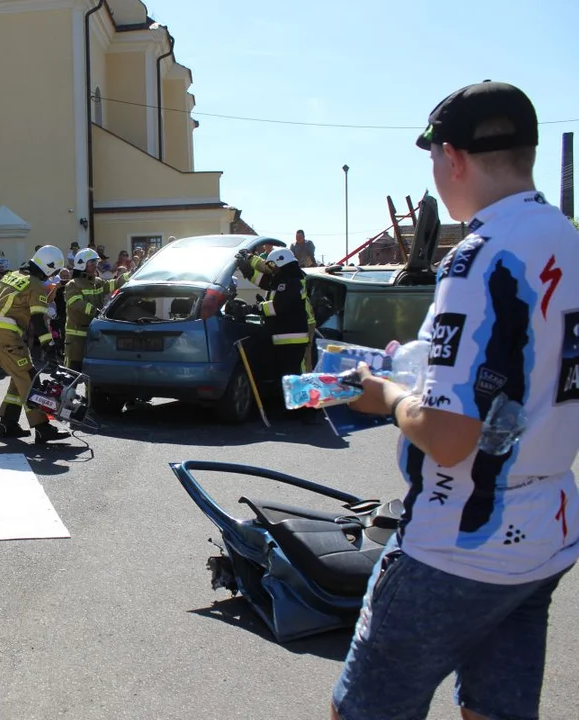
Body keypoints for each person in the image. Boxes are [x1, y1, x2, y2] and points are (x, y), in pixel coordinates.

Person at [333, 81, 579, 720]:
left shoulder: (479, 255)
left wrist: (387, 395)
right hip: (547, 529)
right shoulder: (565, 237)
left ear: (452, 158)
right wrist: (426, 370)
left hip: (460, 537)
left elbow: (449, 435)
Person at [0, 246, 71, 444]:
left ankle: (8, 424)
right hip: (7, 336)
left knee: (19, 377)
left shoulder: (12, 276)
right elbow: (38, 319)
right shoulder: (35, 284)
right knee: (30, 378)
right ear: (49, 268)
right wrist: (48, 345)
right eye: (55, 271)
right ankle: (42, 428)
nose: (54, 276)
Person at [236, 247, 315, 378]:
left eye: (272, 265)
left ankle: (303, 398)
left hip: (293, 340)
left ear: (280, 263)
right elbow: (264, 281)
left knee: (297, 377)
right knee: (287, 379)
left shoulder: (291, 281)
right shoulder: (284, 278)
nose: (271, 269)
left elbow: (277, 306)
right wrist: (248, 272)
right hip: (285, 338)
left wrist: (254, 308)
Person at [63, 249, 129, 371]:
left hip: (93, 333)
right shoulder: (73, 284)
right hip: (76, 337)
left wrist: (131, 275)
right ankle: (68, 391)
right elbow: (76, 303)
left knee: (92, 371)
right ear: (82, 264)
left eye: (96, 262)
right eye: (91, 262)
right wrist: (95, 311)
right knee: (73, 372)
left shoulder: (97, 282)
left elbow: (114, 284)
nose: (95, 265)